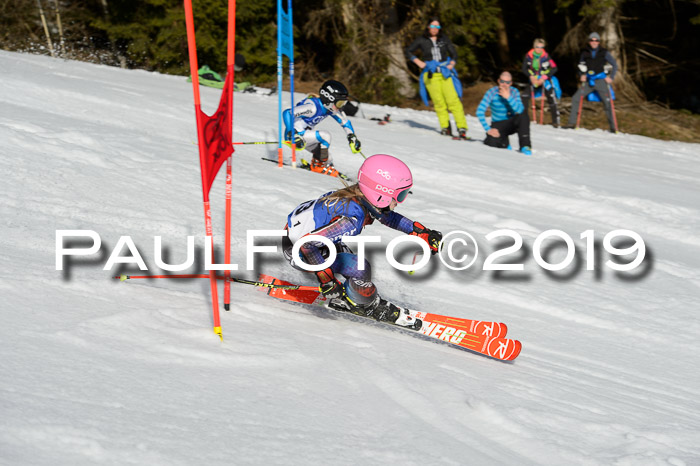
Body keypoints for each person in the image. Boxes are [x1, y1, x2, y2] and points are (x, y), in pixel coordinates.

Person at [282, 154, 442, 324]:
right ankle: (360, 303)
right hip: (299, 251)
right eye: (400, 195)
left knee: (356, 268)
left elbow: (388, 217)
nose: (400, 201)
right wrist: (327, 280)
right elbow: (306, 245)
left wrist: (421, 232)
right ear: (381, 194)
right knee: (361, 268)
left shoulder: (356, 197)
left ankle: (353, 294)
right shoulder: (351, 220)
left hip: (301, 238)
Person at [405, 17, 469, 139]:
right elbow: (408, 51)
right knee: (439, 102)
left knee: (453, 101)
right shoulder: (421, 40)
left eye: (437, 27)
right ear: (428, 26)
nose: (435, 29)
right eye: (433, 26)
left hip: (445, 73)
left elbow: (454, 54)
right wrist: (419, 62)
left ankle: (462, 127)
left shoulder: (444, 39)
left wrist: (452, 64)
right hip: (431, 74)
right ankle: (445, 127)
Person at [283, 80, 362, 177]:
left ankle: (324, 166)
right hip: (294, 136)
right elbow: (287, 112)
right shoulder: (312, 107)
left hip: (304, 137)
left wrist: (352, 136)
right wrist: (292, 132)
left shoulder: (329, 108)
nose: (341, 107)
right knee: (325, 136)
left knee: (328, 157)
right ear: (329, 99)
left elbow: (345, 122)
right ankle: (318, 167)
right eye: (339, 103)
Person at [565, 32, 619, 132]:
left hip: (601, 81)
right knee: (576, 98)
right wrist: (581, 75)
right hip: (589, 82)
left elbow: (614, 65)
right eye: (592, 40)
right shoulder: (585, 53)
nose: (594, 42)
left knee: (607, 103)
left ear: (599, 42)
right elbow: (580, 66)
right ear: (589, 42)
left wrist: (611, 77)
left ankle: (613, 127)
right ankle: (572, 123)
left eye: (596, 40)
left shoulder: (604, 52)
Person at [476, 71, 532, 155]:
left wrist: (508, 97)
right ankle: (504, 143)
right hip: (498, 124)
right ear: (498, 81)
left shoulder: (514, 92)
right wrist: (488, 129)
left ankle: (525, 146)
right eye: (502, 81)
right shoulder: (491, 92)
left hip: (512, 122)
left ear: (511, 83)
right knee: (491, 143)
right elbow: (479, 111)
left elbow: (520, 110)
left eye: (507, 82)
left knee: (523, 116)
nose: (504, 84)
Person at [521, 38, 561, 127]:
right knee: (524, 96)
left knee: (551, 96)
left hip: (544, 80)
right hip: (533, 79)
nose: (539, 49)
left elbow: (554, 68)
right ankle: (522, 118)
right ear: (534, 46)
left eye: (541, 47)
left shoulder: (546, 56)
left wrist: (544, 78)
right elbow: (524, 69)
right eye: (537, 47)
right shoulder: (528, 56)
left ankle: (556, 120)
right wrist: (530, 76)